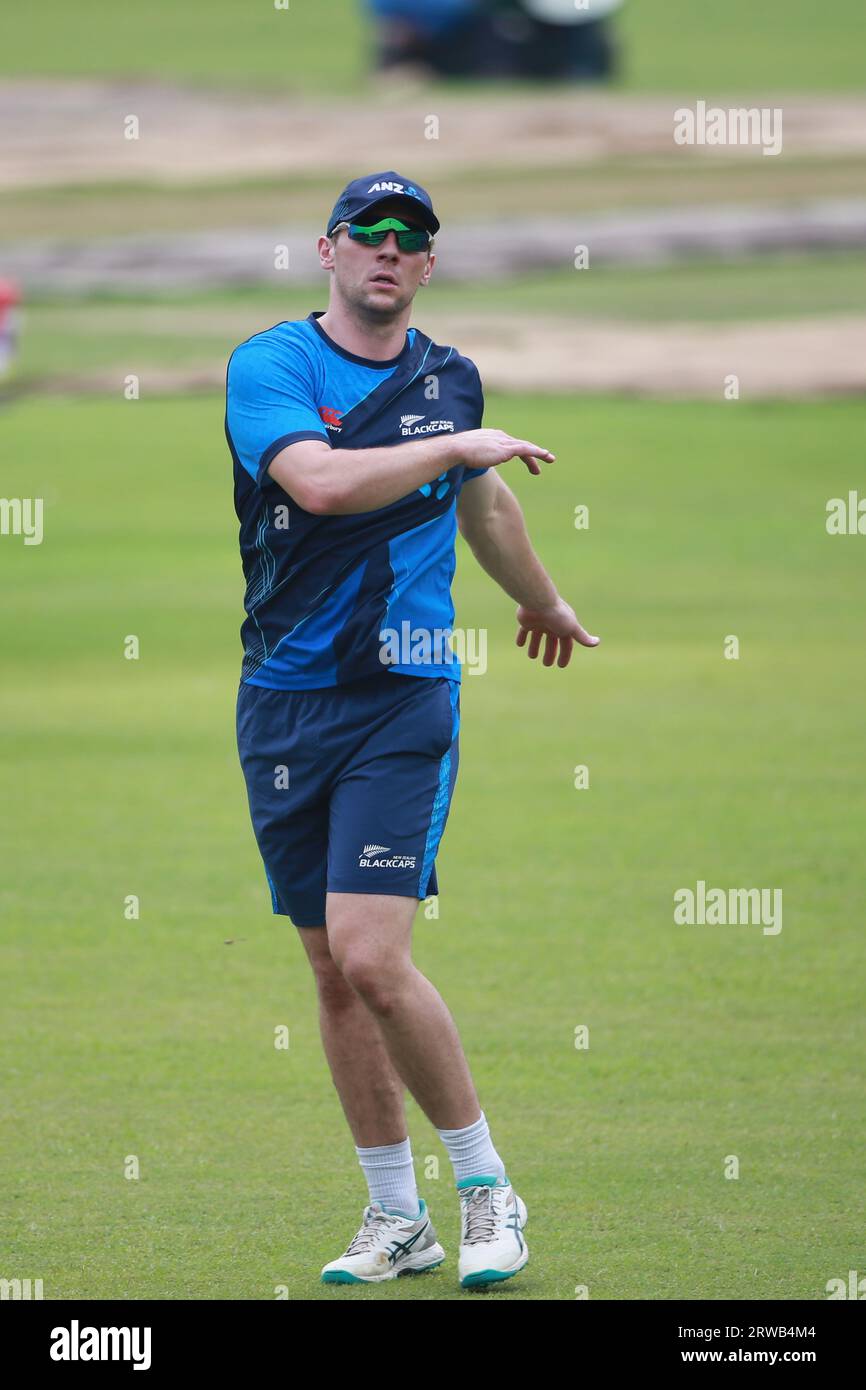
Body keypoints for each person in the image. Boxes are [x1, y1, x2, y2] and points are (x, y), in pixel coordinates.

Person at [224, 170, 599, 1288]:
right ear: (328, 250)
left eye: (410, 239)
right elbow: (322, 483)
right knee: (330, 972)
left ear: (428, 265)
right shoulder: (273, 366)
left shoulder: (450, 379)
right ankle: (397, 1216)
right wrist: (453, 448)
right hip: (284, 698)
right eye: (369, 234)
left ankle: (486, 1189)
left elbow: (485, 500)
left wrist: (535, 595)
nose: (388, 250)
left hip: (404, 693)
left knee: (374, 957)